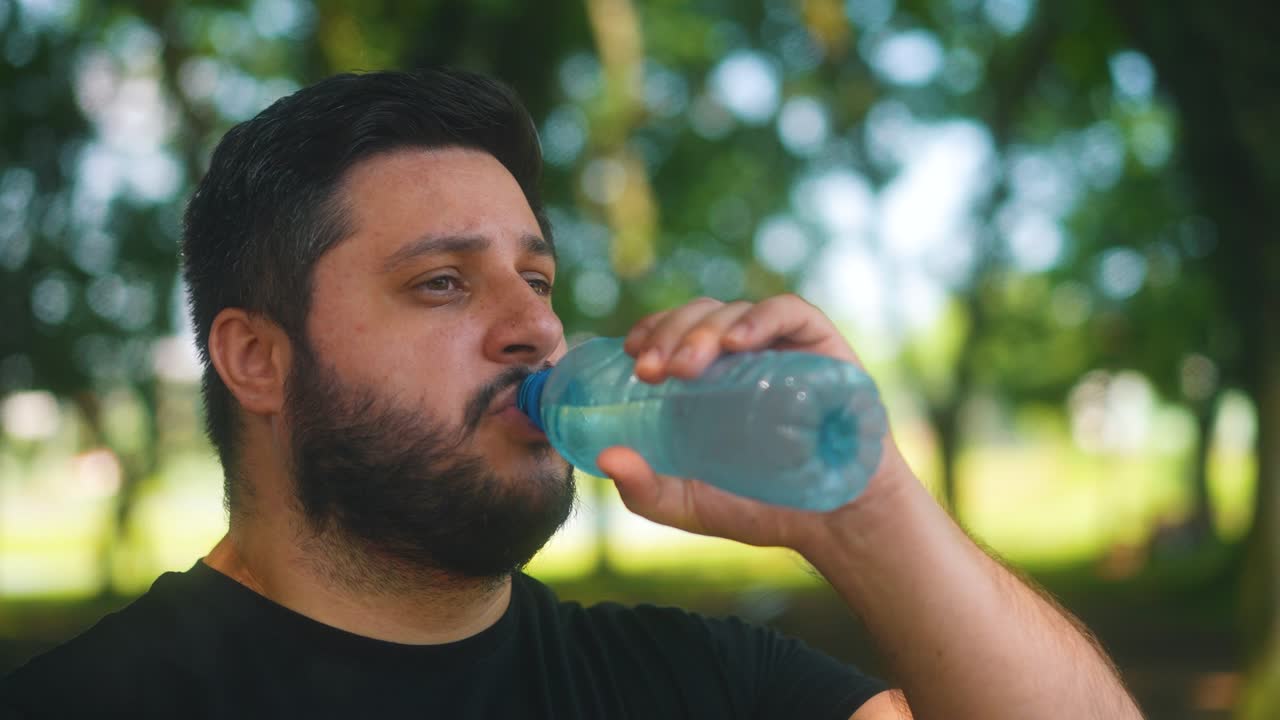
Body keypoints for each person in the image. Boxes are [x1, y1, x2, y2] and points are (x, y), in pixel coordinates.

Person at [0, 68, 1142, 719]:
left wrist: (866, 508)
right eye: (443, 283)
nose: (537, 326)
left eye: (537, 278)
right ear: (256, 359)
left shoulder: (688, 687)